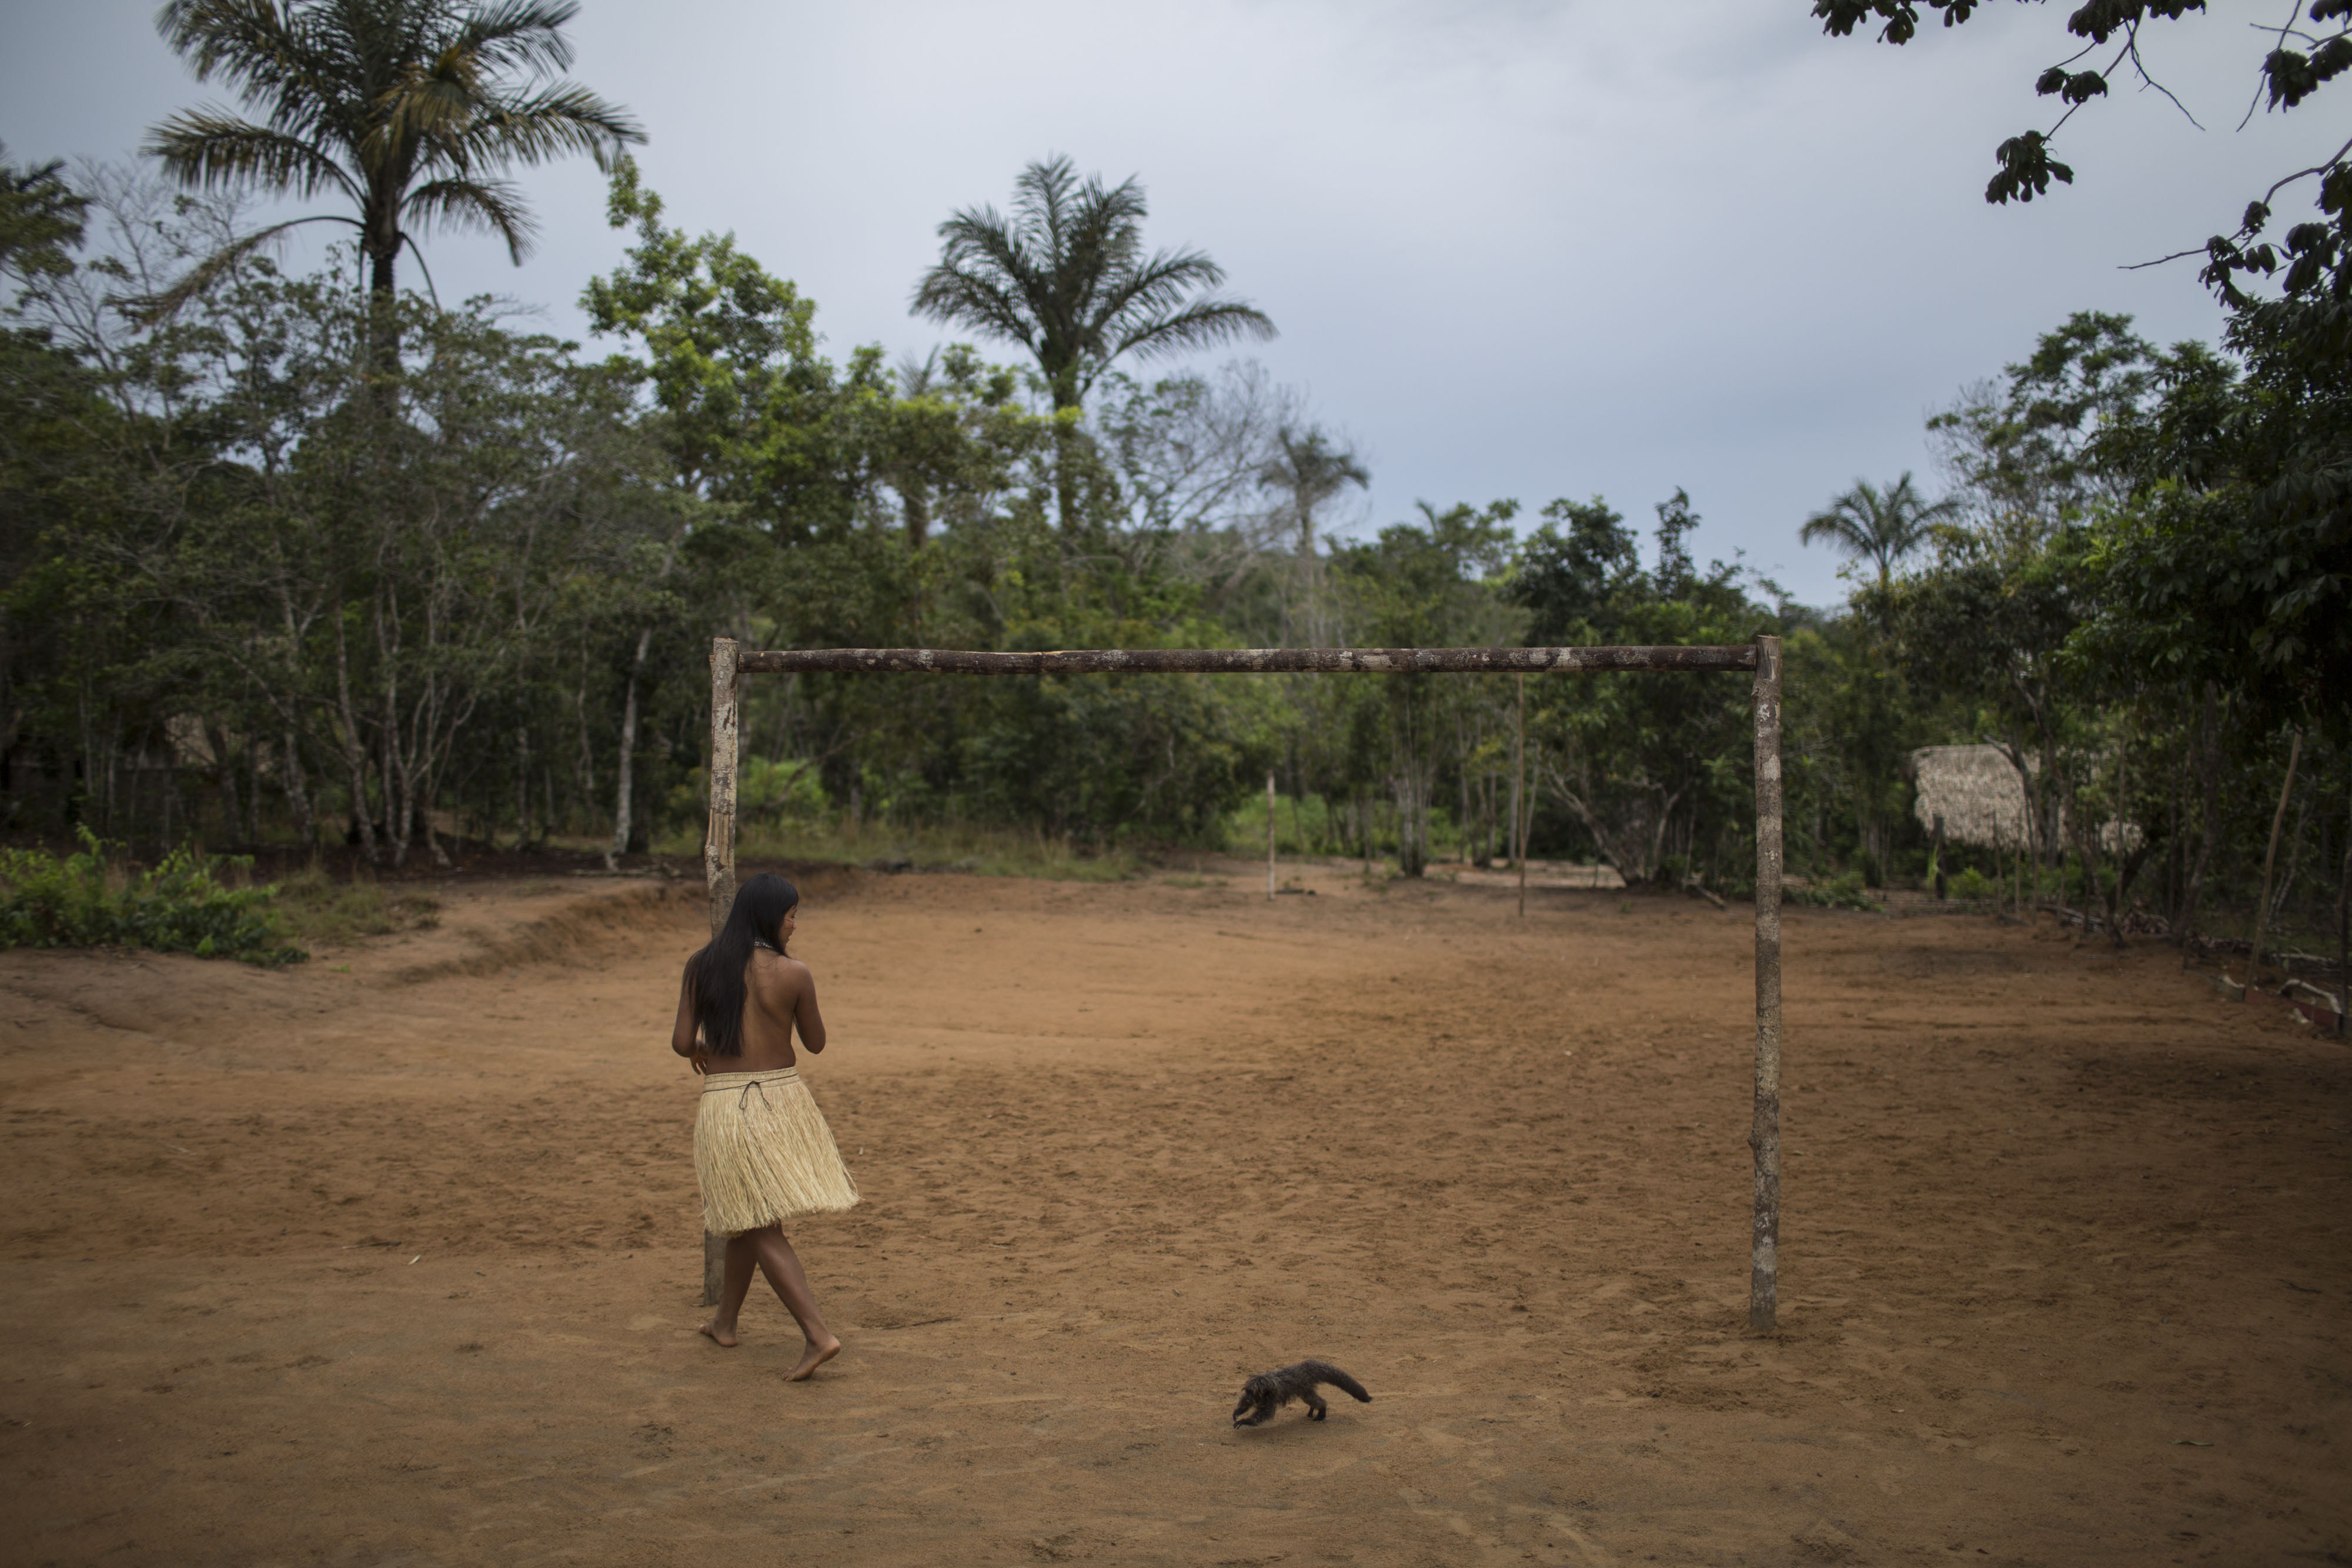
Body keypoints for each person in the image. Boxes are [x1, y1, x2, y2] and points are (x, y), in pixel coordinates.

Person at [671, 872, 858, 1379]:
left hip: (727, 1105)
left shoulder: (701, 966)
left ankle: (790, 1331)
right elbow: (816, 1043)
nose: (794, 925)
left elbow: (682, 1040)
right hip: (781, 1099)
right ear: (769, 918)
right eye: (790, 915)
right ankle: (754, 1325)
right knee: (749, 1217)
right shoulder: (794, 972)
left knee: (753, 1217)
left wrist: (706, 1048)